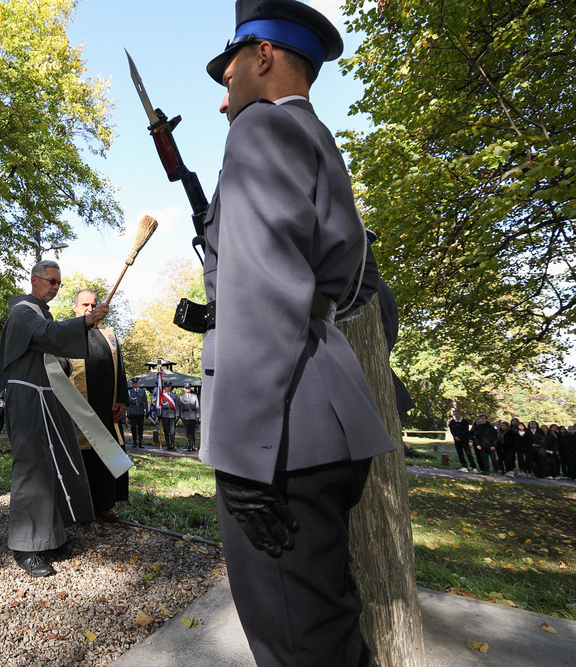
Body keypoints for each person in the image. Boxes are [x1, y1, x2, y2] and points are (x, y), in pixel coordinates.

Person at [200, 3, 398, 663]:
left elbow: (257, 297)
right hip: (329, 418)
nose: (224, 95)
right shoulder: (321, 144)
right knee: (328, 634)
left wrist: (242, 454)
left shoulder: (259, 130)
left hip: (279, 439)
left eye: (228, 73)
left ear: (261, 57)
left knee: (299, 648)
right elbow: (364, 279)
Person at [0, 259, 108, 577]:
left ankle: (49, 536)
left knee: (54, 464)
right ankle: (25, 547)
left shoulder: (38, 315)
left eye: (58, 283)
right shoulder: (23, 312)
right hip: (29, 400)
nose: (55, 288)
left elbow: (46, 350)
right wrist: (86, 321)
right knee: (32, 469)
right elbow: (50, 334)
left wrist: (61, 362)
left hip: (45, 397)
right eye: (50, 281)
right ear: (34, 280)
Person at [69, 289, 129, 522]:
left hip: (107, 406)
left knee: (109, 453)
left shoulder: (109, 334)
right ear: (75, 307)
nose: (90, 309)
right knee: (83, 456)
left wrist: (122, 398)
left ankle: (106, 504)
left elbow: (120, 366)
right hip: (78, 405)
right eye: (85, 305)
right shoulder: (67, 331)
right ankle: (80, 505)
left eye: (94, 305)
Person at [178, 384, 200, 452]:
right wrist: (181, 416)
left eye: (188, 388)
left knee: (192, 432)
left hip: (193, 415)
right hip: (185, 415)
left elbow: (197, 407)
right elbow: (180, 407)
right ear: (184, 389)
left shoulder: (194, 396)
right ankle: (188, 445)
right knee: (187, 432)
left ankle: (193, 445)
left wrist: (197, 415)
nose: (187, 389)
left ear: (190, 389)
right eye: (186, 388)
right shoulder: (181, 396)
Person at [158, 381, 178, 450]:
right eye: (166, 387)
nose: (167, 388)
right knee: (166, 431)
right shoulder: (161, 395)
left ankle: (172, 444)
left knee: (172, 431)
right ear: (164, 387)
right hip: (164, 414)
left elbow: (177, 406)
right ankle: (167, 445)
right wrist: (159, 414)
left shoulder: (174, 395)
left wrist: (177, 415)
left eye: (169, 387)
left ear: (170, 387)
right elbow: (159, 405)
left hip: (172, 414)